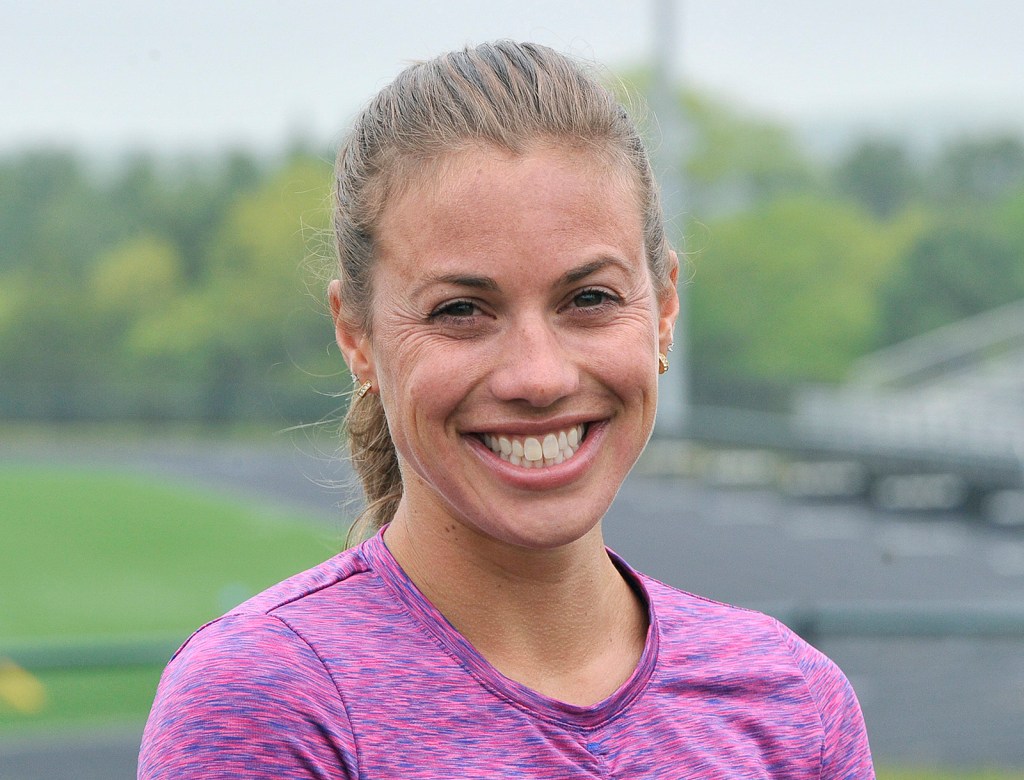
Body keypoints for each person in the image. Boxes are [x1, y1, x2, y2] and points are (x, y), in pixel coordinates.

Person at [138, 41, 874, 778]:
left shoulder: (793, 705)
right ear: (355, 336)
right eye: (461, 310)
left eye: (589, 299)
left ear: (665, 307)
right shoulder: (264, 707)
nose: (539, 375)